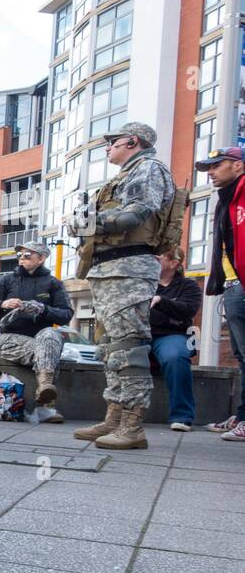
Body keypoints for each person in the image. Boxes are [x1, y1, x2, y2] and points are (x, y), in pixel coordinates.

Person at [73, 122, 175, 450]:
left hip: (129, 268)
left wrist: (87, 223)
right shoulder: (128, 173)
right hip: (111, 269)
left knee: (128, 346)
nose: (107, 148)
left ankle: (132, 425)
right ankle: (114, 417)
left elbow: (135, 215)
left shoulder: (148, 169)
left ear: (131, 141)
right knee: (111, 348)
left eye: (112, 142)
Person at [0, 240, 73, 422]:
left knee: (51, 336)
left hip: (41, 338)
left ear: (42, 258)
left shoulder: (54, 284)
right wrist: (2, 304)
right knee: (48, 350)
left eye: (27, 255)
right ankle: (46, 406)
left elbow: (66, 314)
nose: (22, 258)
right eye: (19, 255)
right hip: (7, 339)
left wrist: (43, 309)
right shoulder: (6, 280)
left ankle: (45, 387)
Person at [200, 146, 245, 441]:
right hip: (234, 284)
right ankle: (242, 416)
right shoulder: (226, 198)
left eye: (217, 165)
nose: (211, 172)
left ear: (238, 166)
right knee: (242, 356)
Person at [150, 247, 202, 431]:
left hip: (171, 335)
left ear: (174, 263)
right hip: (142, 335)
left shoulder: (189, 286)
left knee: (175, 357)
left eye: (160, 256)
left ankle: (182, 416)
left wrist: (161, 302)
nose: (154, 258)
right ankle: (118, 413)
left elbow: (187, 309)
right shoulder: (144, 283)